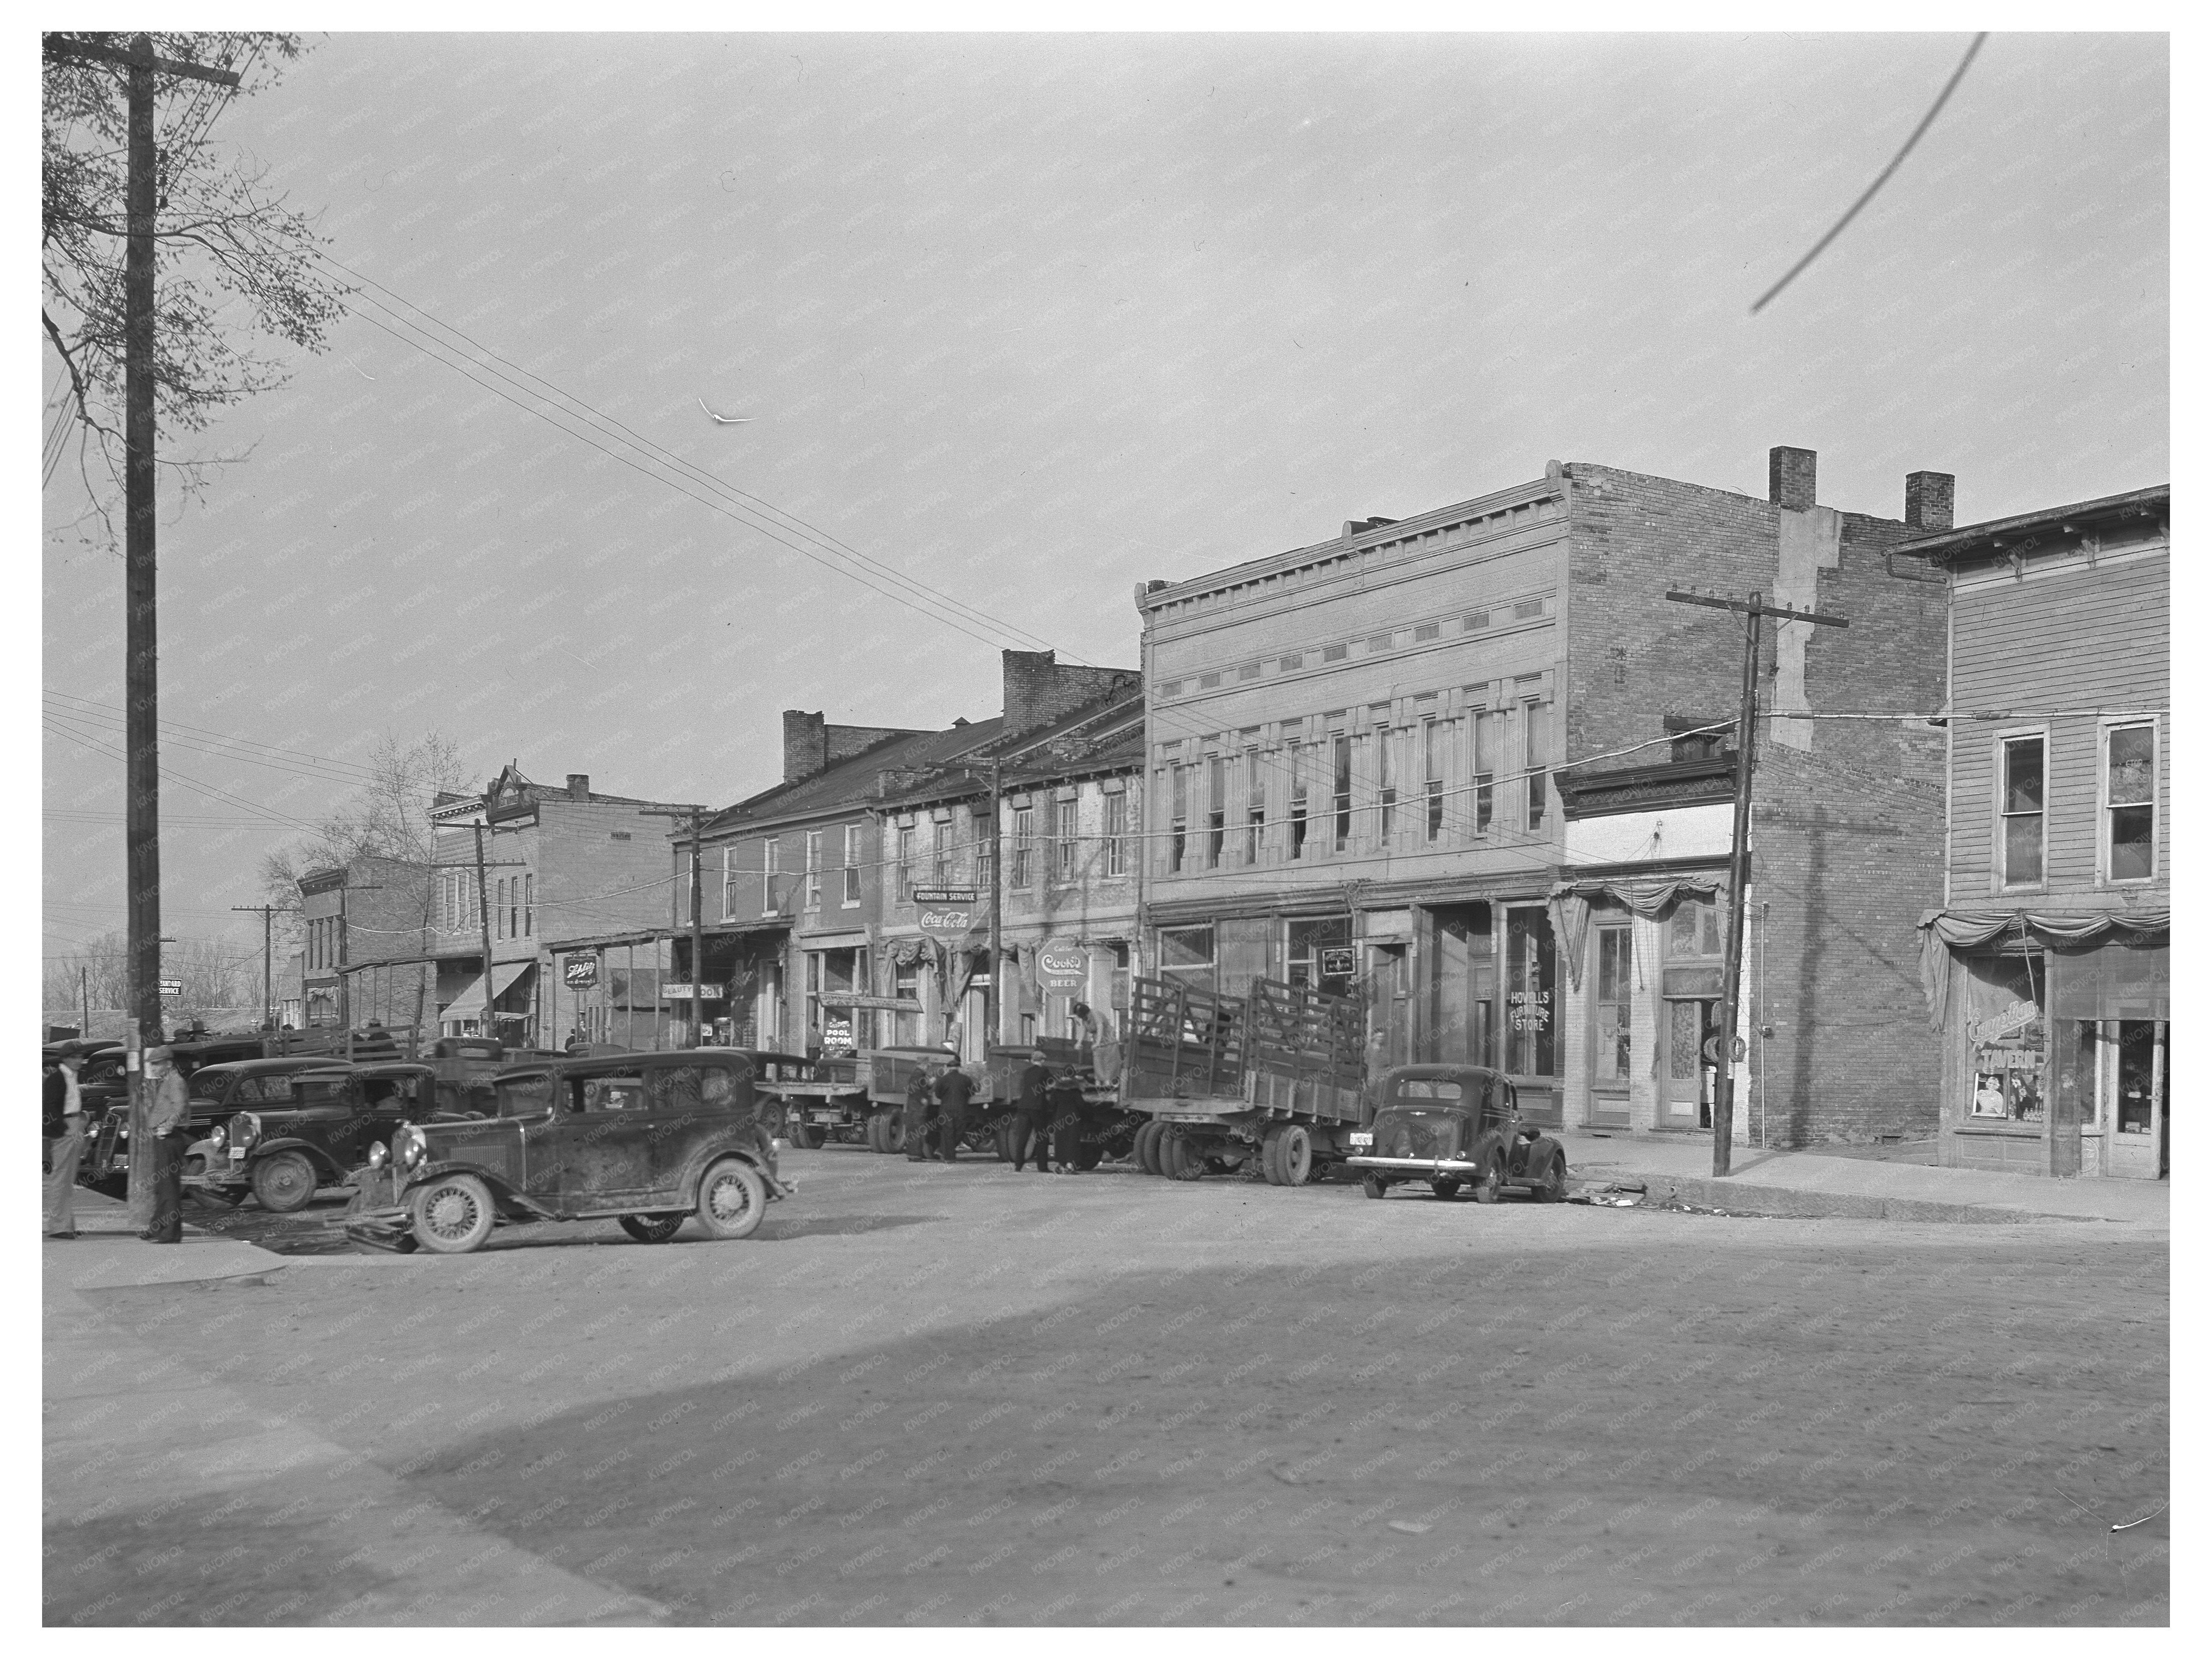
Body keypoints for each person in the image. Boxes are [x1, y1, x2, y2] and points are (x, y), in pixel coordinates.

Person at [141, 1045, 190, 1243]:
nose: (153, 1068)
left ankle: (171, 1233)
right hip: (164, 1137)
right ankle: (158, 1226)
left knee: (168, 1187)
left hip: (169, 1138)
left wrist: (168, 1127)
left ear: (168, 1064)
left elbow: (181, 1107)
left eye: (156, 1064)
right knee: (162, 1186)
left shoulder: (174, 1081)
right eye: (152, 1064)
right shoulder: (168, 1080)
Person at [45, 1053, 87, 1238]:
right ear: (66, 1059)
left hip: (75, 1123)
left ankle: (66, 1224)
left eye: (81, 1057)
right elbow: (49, 1105)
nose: (80, 1061)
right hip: (67, 1127)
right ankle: (58, 1226)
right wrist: (62, 1128)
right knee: (61, 1177)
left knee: (68, 1179)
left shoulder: (72, 1076)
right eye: (76, 1057)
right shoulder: (58, 1078)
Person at [1009, 1049, 1054, 1174]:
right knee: (1042, 1137)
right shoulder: (1044, 1071)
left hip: (1024, 1106)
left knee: (1023, 1137)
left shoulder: (1027, 1072)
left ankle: (1018, 1166)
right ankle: (1042, 1167)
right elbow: (1052, 1084)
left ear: (1031, 1061)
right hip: (1038, 1107)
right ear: (1043, 1061)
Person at [935, 1055, 974, 1164]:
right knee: (960, 1132)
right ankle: (946, 1154)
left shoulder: (943, 1080)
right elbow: (972, 1092)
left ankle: (949, 1157)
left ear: (948, 1069)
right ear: (959, 1068)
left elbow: (938, 1094)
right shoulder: (966, 1079)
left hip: (946, 1110)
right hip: (961, 1110)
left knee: (948, 1132)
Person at [903, 1060, 938, 1163]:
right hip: (916, 1108)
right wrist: (922, 1099)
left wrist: (930, 1084)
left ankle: (914, 1155)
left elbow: (921, 1087)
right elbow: (913, 1090)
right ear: (922, 1065)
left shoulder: (919, 1075)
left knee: (915, 1130)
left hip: (915, 1108)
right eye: (927, 1066)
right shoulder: (918, 1075)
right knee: (917, 1131)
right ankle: (915, 1156)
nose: (928, 1068)